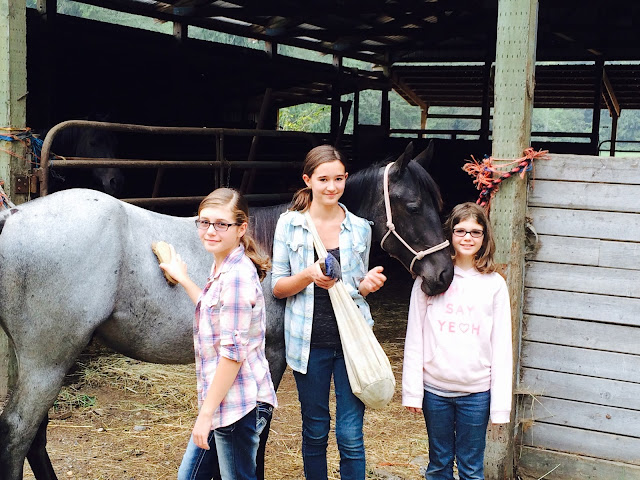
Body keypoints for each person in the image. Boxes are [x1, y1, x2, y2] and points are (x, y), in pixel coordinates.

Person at [271, 145, 387, 480]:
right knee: (315, 429)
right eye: (323, 179)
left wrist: (366, 285)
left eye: (338, 179)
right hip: (308, 343)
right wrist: (309, 274)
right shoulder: (289, 225)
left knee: (350, 435)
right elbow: (278, 287)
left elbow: (355, 289)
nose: (331, 187)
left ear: (346, 178)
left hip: (353, 343)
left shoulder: (360, 228)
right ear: (308, 180)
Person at [160, 188, 277, 480]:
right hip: (225, 400)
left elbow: (233, 355)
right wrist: (184, 278)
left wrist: (205, 415)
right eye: (204, 222)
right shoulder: (224, 265)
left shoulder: (237, 276)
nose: (210, 231)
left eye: (221, 224)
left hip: (239, 404)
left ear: (241, 228)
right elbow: (212, 309)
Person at [402, 202, 512, 480]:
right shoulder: (431, 280)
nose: (467, 238)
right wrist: (412, 391)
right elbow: (415, 337)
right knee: (439, 464)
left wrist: (500, 406)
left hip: (476, 394)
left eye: (475, 232)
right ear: (449, 234)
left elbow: (502, 347)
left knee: (471, 468)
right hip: (435, 390)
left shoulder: (494, 284)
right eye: (460, 230)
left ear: (485, 237)